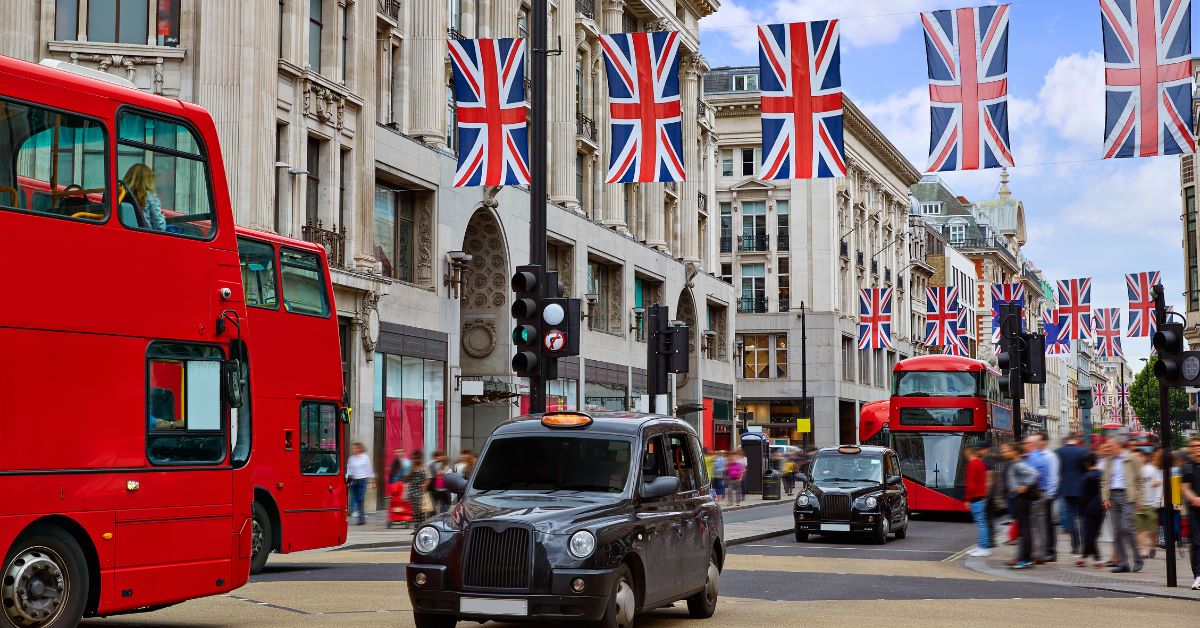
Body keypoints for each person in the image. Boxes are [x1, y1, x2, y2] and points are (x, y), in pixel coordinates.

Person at [1101, 436, 1143, 573]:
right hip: (1113, 496)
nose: (1107, 449)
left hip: (1127, 496)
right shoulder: (1109, 460)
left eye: (1110, 446)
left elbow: (1139, 479)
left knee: (1126, 528)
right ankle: (1123, 563)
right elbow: (1105, 480)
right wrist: (1105, 497)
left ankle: (1138, 559)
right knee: (1117, 531)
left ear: (1118, 445)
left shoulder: (1131, 458)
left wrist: (1139, 499)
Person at [1003, 442, 1040, 570]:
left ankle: (1025, 560)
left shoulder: (1018, 464)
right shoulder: (1014, 464)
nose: (1004, 453)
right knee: (1023, 530)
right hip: (1018, 499)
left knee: (1024, 530)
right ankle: (1023, 558)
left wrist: (1024, 487)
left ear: (1015, 452)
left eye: (1007, 451)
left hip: (1021, 500)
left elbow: (1034, 474)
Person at [1023, 435, 1055, 563]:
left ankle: (1033, 553)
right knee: (1042, 526)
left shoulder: (1032, 458)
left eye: (1026, 444)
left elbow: (1033, 477)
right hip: (1043, 494)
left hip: (1034, 496)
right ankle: (1042, 554)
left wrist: (1023, 486)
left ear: (1031, 445)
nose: (1024, 446)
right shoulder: (1042, 457)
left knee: (1030, 526)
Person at [1055, 435, 1087, 556]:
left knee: (1071, 517)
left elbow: (1058, 471)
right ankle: (1084, 543)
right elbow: (1086, 470)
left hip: (1067, 489)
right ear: (1076, 440)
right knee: (1083, 518)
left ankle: (1075, 545)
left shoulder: (1059, 452)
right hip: (1081, 489)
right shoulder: (1082, 451)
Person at [1077, 453, 1105, 569]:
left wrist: (1081, 508)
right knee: (1094, 534)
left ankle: (1097, 559)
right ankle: (1083, 557)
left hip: (1089, 509)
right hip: (1101, 508)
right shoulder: (1102, 474)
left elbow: (1083, 495)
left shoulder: (1085, 477)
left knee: (1090, 535)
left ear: (1086, 463)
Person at [1180, 436, 1200, 590]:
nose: (1197, 448)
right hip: (1194, 510)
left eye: (1199, 445)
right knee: (1196, 542)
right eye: (1194, 446)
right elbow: (1185, 487)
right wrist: (1194, 499)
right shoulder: (1187, 467)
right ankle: (1198, 576)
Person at [121, 163, 167, 230]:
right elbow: (160, 227)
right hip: (145, 234)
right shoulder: (150, 196)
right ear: (148, 181)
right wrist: (162, 217)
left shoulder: (121, 193)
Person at [1135, 449, 1162, 560]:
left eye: (1140, 456)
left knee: (1152, 529)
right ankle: (1143, 550)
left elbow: (1159, 484)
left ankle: (1153, 546)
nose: (1138, 459)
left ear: (1144, 457)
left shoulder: (1152, 469)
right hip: (1137, 504)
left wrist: (1156, 501)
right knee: (1139, 529)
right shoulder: (1133, 471)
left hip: (1151, 503)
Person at [965, 445, 992, 557]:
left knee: (981, 524)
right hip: (981, 496)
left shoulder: (972, 464)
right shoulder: (981, 464)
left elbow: (971, 484)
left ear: (969, 454)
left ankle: (984, 548)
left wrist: (967, 499)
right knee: (982, 523)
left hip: (976, 498)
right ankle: (981, 545)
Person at [345, 442, 375, 526]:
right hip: (353, 480)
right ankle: (360, 516)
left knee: (360, 498)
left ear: (360, 448)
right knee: (356, 498)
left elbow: (369, 469)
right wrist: (347, 479)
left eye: (355, 448)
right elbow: (349, 469)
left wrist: (373, 481)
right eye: (353, 448)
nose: (354, 450)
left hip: (362, 480)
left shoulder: (365, 458)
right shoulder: (351, 458)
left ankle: (361, 518)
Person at [406, 450, 431, 526]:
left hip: (421, 491)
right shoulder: (410, 467)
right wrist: (411, 471)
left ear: (421, 458)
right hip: (412, 491)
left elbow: (428, 478)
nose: (416, 460)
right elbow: (406, 478)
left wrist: (425, 485)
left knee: (422, 510)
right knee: (415, 511)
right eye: (415, 458)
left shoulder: (424, 467)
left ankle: (421, 526)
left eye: (418, 458)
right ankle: (417, 527)